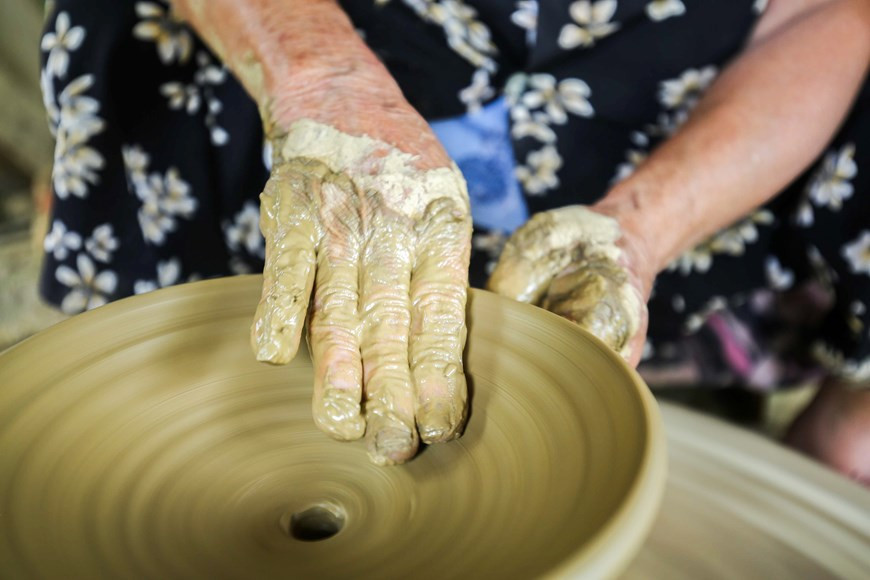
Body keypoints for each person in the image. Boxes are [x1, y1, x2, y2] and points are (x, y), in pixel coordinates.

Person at [38, 0, 870, 477]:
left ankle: (839, 443)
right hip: (312, 39)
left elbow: (831, 11)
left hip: (661, 94)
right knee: (138, 431)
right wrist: (324, 85)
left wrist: (640, 229)